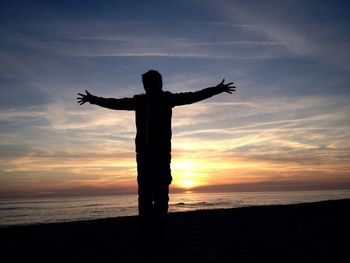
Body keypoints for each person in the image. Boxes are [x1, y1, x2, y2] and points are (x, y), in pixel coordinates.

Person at [77, 70, 236, 237]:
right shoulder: (140, 101)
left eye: (150, 83)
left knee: (160, 193)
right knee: (145, 194)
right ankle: (147, 230)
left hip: (161, 155)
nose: (148, 87)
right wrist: (94, 100)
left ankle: (158, 230)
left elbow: (193, 96)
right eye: (146, 84)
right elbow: (116, 103)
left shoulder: (167, 99)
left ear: (158, 84)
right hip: (144, 155)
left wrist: (217, 89)